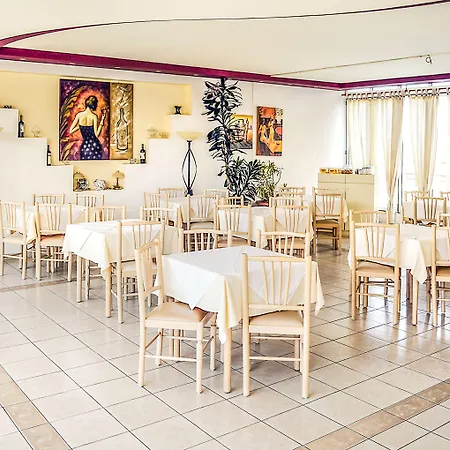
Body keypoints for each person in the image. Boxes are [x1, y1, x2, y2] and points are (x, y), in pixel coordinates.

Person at [69, 95, 107, 160]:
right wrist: (102, 120)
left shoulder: (79, 115)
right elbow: (96, 134)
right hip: (95, 146)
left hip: (85, 146)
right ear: (94, 105)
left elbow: (71, 130)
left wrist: (80, 126)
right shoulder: (94, 116)